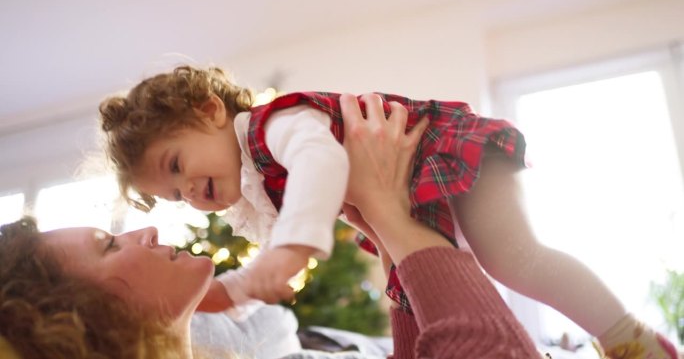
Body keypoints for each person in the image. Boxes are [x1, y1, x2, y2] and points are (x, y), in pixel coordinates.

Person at [98, 65, 678, 359]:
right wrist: (241, 290)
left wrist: (294, 249)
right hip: (413, 200)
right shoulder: (259, 186)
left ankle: (633, 338)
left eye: (176, 165)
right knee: (408, 301)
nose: (189, 194)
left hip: (444, 150)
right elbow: (276, 254)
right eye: (174, 197)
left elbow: (322, 164)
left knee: (514, 259)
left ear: (210, 112)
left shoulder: (274, 127)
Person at [1, 94, 546, 358]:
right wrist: (390, 218)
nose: (147, 231)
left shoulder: (273, 132)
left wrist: (391, 244)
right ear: (86, 320)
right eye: (107, 247)